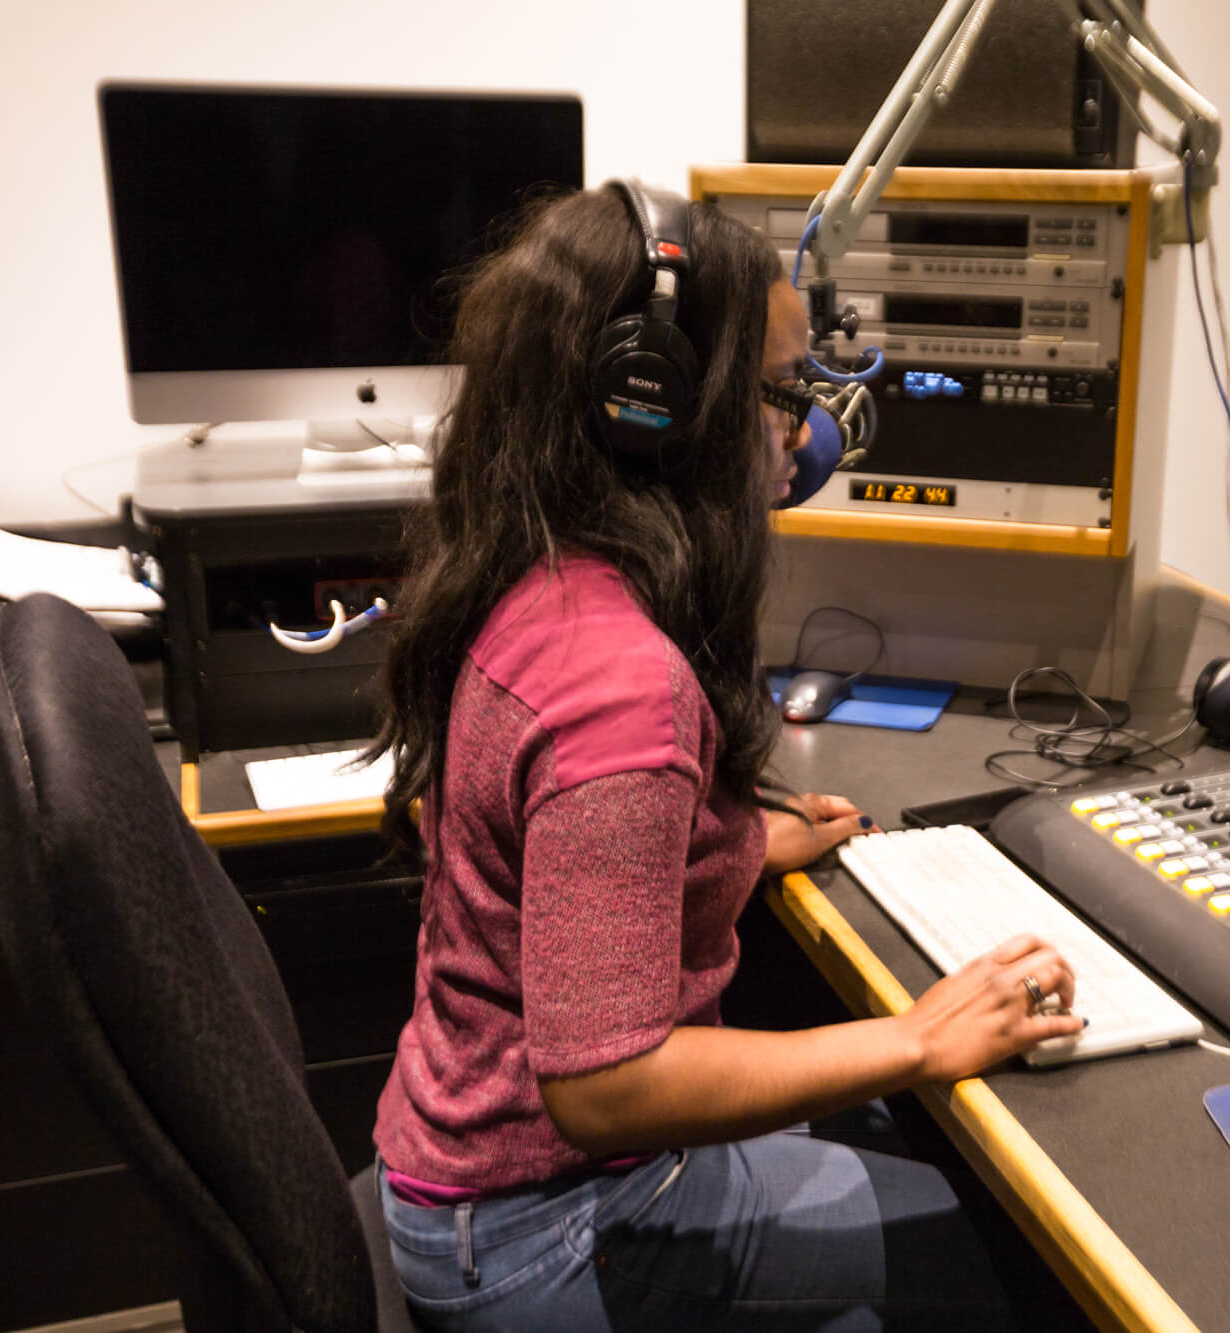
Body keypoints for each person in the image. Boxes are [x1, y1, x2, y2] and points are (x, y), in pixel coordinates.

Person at [366, 181, 1082, 1331]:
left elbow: (553, 874)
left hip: (467, 1183)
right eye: (787, 391)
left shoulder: (532, 574)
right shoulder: (620, 687)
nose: (808, 434)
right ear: (651, 400)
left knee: (888, 1146)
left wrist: (718, 843)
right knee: (1010, 1251)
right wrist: (913, 1036)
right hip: (548, 1226)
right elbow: (605, 1086)